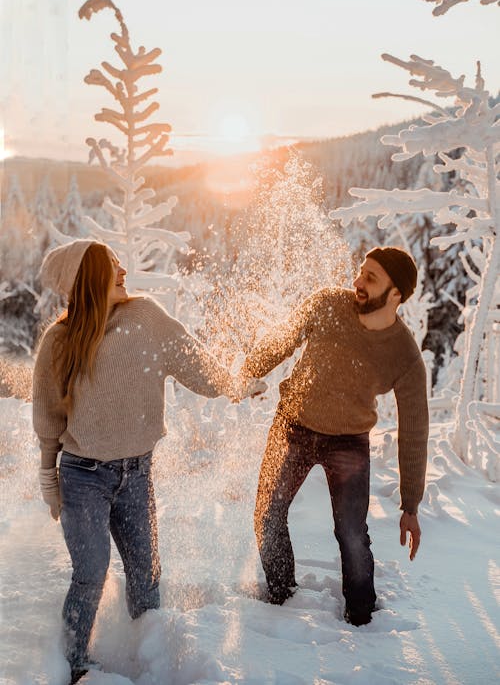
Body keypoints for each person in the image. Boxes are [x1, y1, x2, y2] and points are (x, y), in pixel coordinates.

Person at [33, 239, 262, 684]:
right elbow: (48, 414)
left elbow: (196, 364)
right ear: (85, 279)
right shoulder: (59, 342)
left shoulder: (146, 317)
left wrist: (235, 384)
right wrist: (47, 473)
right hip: (83, 477)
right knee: (90, 572)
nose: (124, 271)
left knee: (146, 573)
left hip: (137, 474)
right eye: (112, 266)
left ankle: (151, 654)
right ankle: (75, 665)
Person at [238, 246, 429, 625]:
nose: (358, 281)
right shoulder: (327, 303)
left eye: (371, 278)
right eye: (361, 272)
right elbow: (283, 339)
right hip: (293, 423)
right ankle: (281, 595)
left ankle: (361, 615)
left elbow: (415, 430)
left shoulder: (404, 356)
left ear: (396, 295)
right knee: (267, 514)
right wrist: (247, 371)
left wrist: (411, 505)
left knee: (351, 533)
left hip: (348, 440)